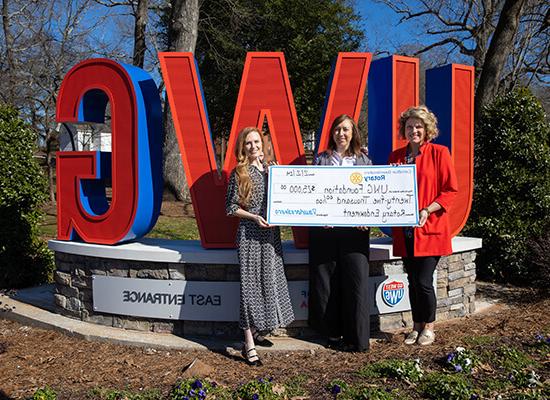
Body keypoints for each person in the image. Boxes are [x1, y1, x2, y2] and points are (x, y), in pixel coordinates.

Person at [388, 105, 458, 346]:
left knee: (423, 281)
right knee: (411, 280)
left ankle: (429, 327)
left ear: (427, 129)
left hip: (430, 229)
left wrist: (428, 209)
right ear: (403, 130)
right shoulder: (396, 156)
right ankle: (416, 326)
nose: (413, 130)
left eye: (418, 126)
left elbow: (450, 191)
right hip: (405, 231)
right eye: (409, 126)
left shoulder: (439, 153)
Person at [225, 126, 295, 365]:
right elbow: (231, 208)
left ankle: (257, 330)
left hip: (270, 236)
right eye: (248, 143)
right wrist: (254, 217)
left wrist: (278, 176)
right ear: (242, 148)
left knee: (269, 282)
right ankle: (248, 343)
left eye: (256, 142)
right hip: (249, 235)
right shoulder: (239, 172)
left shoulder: (270, 170)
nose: (253, 146)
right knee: (249, 288)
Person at [308, 114, 372, 352]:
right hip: (326, 232)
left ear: (353, 132)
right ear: (332, 133)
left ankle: (357, 339)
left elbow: (373, 196)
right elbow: (312, 193)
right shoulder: (321, 160)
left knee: (356, 283)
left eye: (345, 129)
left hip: (355, 233)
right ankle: (332, 334)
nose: (341, 134)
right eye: (337, 130)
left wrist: (368, 218)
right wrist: (319, 216)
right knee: (327, 284)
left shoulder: (365, 161)